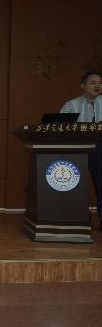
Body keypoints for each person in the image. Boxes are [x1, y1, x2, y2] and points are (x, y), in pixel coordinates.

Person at [59, 71, 102, 226]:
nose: (97, 86)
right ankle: (79, 220)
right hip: (78, 149)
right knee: (77, 184)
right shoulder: (72, 105)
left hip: (100, 148)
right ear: (83, 86)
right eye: (93, 83)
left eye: (100, 83)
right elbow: (59, 126)